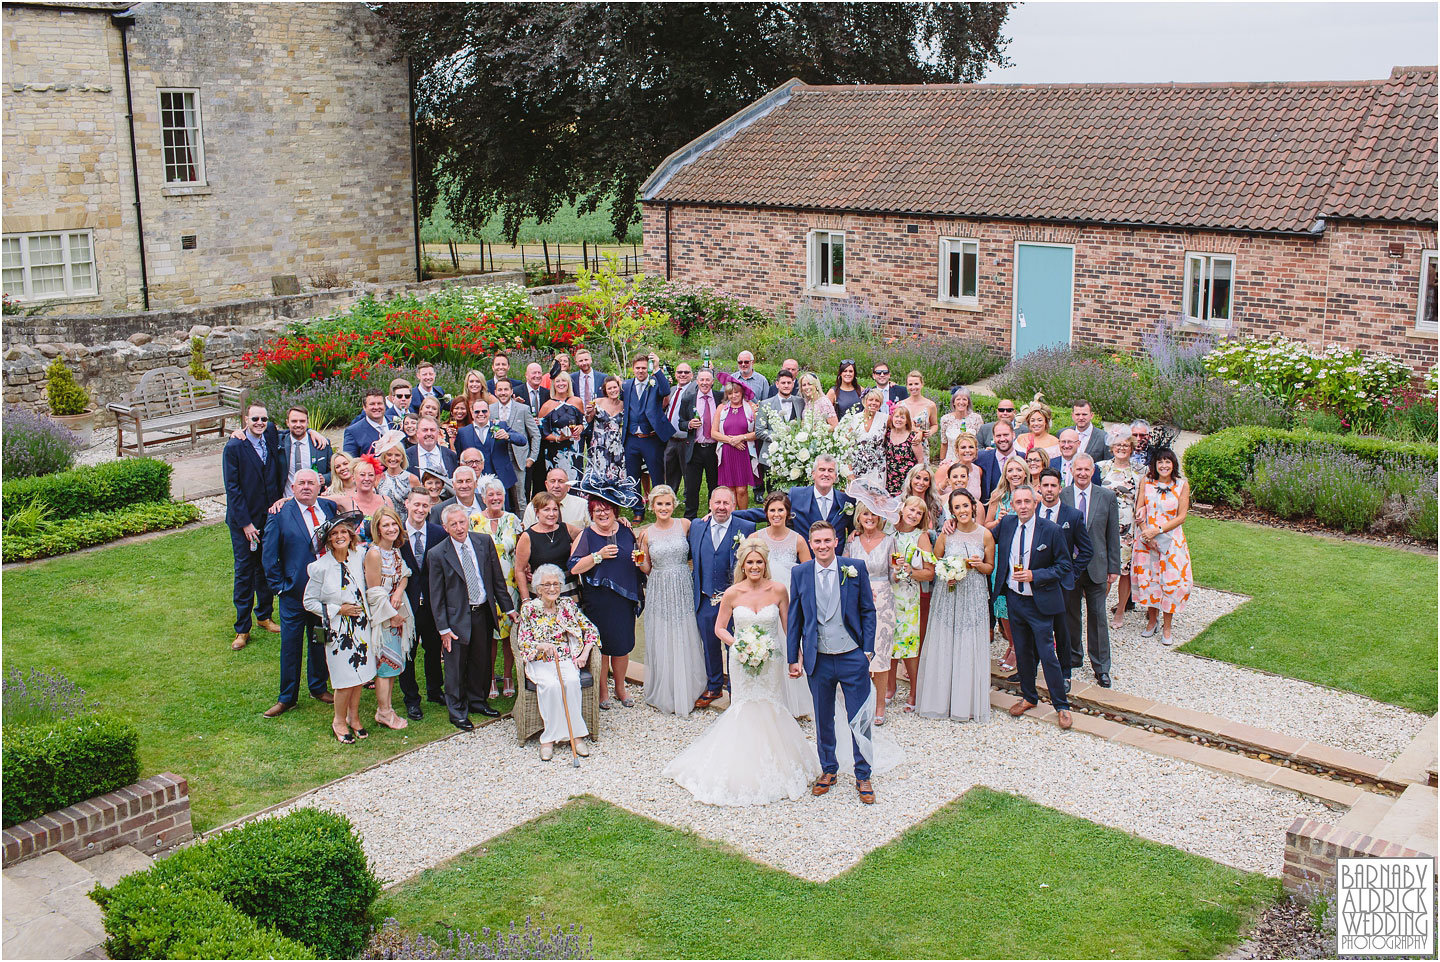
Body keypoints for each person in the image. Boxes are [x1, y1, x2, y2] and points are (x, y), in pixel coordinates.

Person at [664, 537, 820, 805]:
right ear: (743, 565)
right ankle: (741, 763)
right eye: (751, 563)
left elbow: (788, 627)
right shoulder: (733, 593)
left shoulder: (779, 590)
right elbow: (720, 628)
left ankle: (779, 762)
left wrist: (796, 657)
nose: (755, 567)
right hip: (741, 659)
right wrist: (740, 644)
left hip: (771, 660)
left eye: (760, 562)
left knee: (772, 704)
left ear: (765, 564)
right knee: (744, 706)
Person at [787, 521, 879, 804]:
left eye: (827, 540)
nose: (822, 546)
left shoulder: (855, 568)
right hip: (819, 659)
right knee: (823, 717)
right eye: (817, 542)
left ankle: (863, 773)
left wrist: (867, 651)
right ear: (811, 544)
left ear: (836, 541)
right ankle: (829, 769)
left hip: (852, 655)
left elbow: (868, 610)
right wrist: (793, 657)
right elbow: (795, 618)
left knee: (859, 717)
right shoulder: (800, 573)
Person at [995, 484, 1074, 729]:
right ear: (1013, 505)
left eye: (1027, 502)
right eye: (1018, 502)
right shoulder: (1007, 524)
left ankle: (1061, 705)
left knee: (1048, 654)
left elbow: (1064, 566)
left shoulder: (1050, 530)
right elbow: (985, 537)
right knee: (1023, 652)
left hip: (1039, 602)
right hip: (1014, 600)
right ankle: (1029, 696)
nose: (1023, 507)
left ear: (1035, 503)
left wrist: (1035, 575)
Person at [430, 503, 513, 730]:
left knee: (481, 661)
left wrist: (510, 609)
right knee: (455, 667)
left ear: (468, 521)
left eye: (462, 522)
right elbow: (436, 596)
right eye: (453, 524)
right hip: (456, 618)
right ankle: (457, 711)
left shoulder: (483, 542)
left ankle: (477, 701)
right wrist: (443, 628)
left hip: (482, 612)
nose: (459, 528)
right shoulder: (437, 554)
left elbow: (497, 581)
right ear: (445, 528)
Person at [916, 489, 995, 722]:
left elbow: (990, 567)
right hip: (948, 593)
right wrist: (945, 573)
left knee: (968, 642)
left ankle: (966, 703)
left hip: (973, 594)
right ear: (952, 511)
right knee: (945, 641)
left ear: (973, 506)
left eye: (965, 505)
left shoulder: (985, 535)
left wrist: (980, 565)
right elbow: (935, 561)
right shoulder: (946, 534)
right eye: (957, 507)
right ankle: (941, 700)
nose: (962, 511)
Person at [262, 469, 336, 717]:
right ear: (292, 488)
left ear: (319, 487)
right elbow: (269, 556)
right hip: (294, 594)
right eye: (301, 483)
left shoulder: (329, 508)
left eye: (311, 483)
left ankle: (318, 686)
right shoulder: (280, 514)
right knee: (291, 645)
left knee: (319, 640)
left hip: (324, 594)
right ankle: (287, 697)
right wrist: (280, 587)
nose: (306, 487)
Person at [569, 477, 645, 709]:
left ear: (615, 511)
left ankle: (620, 688)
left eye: (607, 510)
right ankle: (603, 691)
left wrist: (638, 558)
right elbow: (573, 566)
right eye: (597, 511)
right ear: (591, 513)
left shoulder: (626, 530)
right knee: (602, 647)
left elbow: (638, 556)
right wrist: (598, 555)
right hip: (599, 600)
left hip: (624, 598)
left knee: (622, 647)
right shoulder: (587, 535)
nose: (603, 514)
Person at [303, 511, 378, 744]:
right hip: (339, 631)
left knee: (360, 676)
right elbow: (309, 601)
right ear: (328, 539)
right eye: (334, 534)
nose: (339, 536)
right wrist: (338, 609)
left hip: (361, 626)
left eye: (343, 532)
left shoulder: (358, 556)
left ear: (350, 534)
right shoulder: (319, 567)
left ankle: (354, 718)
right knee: (344, 679)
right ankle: (338, 720)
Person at [514, 564, 597, 761]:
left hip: (565, 659)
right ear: (538, 588)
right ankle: (548, 739)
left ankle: (576, 736)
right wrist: (540, 646)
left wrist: (585, 652)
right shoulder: (530, 609)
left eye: (556, 584)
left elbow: (591, 630)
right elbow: (523, 642)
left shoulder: (567, 606)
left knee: (571, 683)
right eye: (547, 585)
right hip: (540, 660)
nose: (552, 589)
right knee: (551, 686)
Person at [636, 486, 707, 715]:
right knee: (663, 631)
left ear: (674, 505)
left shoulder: (684, 525)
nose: (663, 508)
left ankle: (690, 686)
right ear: (652, 506)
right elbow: (647, 568)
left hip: (682, 582)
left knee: (686, 629)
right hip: (659, 585)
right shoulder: (646, 533)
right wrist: (638, 563)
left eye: (667, 504)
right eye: (659, 504)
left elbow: (702, 539)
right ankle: (666, 688)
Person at [687, 486, 757, 707]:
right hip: (706, 598)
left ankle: (737, 690)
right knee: (709, 645)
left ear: (734, 507)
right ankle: (714, 686)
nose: (721, 507)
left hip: (735, 602)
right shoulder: (697, 527)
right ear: (709, 504)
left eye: (727, 503)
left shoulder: (745, 528)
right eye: (717, 503)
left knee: (735, 647)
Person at [223, 403, 284, 651]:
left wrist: (313, 433)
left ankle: (264, 616)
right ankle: (242, 628)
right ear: (246, 419)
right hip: (244, 522)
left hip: (268, 518)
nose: (260, 422)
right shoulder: (234, 446)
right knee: (245, 572)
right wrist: (246, 523)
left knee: (267, 566)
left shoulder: (269, 434)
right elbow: (233, 489)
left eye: (264, 418)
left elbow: (294, 430)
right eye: (255, 418)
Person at [752, 490, 814, 718]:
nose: (776, 514)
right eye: (772, 510)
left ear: (788, 513)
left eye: (781, 509)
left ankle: (796, 703)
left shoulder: (797, 539)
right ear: (766, 512)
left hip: (790, 600)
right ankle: (769, 702)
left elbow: (809, 574)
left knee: (791, 644)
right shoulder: (756, 538)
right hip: (764, 600)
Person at [1062, 454, 1121, 687]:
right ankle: (1074, 656)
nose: (1083, 474)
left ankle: (1101, 667)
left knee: (1098, 617)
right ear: (1072, 471)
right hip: (1070, 567)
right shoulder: (1063, 495)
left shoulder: (1106, 497)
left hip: (1097, 566)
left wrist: (1113, 567)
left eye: (1087, 470)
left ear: (1092, 471)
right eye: (1079, 470)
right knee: (1071, 615)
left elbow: (1112, 534)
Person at [1035, 468, 1093, 690]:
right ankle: (1029, 670)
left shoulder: (1072, 515)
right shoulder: (1032, 511)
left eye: (1053, 486)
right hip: (1035, 579)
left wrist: (1072, 573)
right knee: (1035, 627)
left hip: (1060, 584)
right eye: (1045, 485)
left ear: (1060, 488)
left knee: (1063, 629)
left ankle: (1065, 673)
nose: (1049, 490)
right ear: (1038, 487)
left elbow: (1086, 551)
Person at [1132, 447, 1192, 645]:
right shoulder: (1146, 482)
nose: (1164, 466)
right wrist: (1146, 533)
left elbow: (1181, 516)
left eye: (1167, 461)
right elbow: (1139, 509)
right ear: (1155, 465)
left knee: (1170, 582)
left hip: (1171, 540)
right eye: (1160, 462)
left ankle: (1167, 627)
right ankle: (1151, 621)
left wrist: (1157, 530)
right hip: (1147, 540)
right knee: (1150, 581)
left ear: (1173, 464)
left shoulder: (1181, 486)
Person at [364, 504, 415, 730]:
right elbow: (374, 592)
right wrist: (392, 616)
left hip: (397, 612)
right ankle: (384, 712)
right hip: (384, 617)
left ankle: (386, 708)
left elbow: (405, 574)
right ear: (377, 528)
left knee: (395, 663)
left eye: (394, 523)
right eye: (386, 525)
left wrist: (399, 591)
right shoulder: (374, 554)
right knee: (385, 666)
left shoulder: (394, 550)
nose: (392, 528)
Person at [845, 503, 896, 726]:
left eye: (874, 514)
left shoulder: (889, 541)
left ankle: (880, 705)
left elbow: (894, 576)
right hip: (856, 601)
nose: (870, 518)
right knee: (859, 653)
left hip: (883, 599)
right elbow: (844, 571)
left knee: (881, 652)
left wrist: (900, 569)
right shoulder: (852, 541)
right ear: (859, 516)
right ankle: (862, 701)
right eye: (866, 513)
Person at [398, 489, 446, 718]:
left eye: (425, 506)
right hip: (406, 602)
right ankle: (411, 698)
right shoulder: (396, 534)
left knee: (433, 647)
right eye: (416, 504)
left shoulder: (438, 533)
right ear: (407, 504)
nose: (420, 510)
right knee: (408, 651)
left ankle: (435, 690)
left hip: (432, 601)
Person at [475, 476, 523, 698]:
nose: (495, 498)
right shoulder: (474, 521)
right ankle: (491, 677)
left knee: (508, 635)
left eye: (499, 494)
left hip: (510, 585)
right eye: (490, 495)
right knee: (490, 635)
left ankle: (508, 676)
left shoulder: (513, 520)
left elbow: (522, 550)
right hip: (486, 587)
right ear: (483, 498)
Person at [735, 455, 854, 543]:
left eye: (830, 471)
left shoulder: (846, 501)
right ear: (813, 474)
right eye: (822, 470)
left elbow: (856, 527)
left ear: (836, 476)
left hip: (835, 563)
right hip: (804, 560)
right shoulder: (797, 495)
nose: (826, 474)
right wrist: (731, 515)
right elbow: (771, 513)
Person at [888, 496, 934, 712]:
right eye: (911, 509)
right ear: (902, 508)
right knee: (887, 642)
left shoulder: (921, 537)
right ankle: (889, 687)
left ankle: (915, 690)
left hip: (907, 598)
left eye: (919, 513)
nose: (914, 515)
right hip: (887, 594)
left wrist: (910, 570)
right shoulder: (888, 530)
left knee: (908, 645)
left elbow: (929, 573)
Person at [985, 455, 1029, 674]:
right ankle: (1012, 645)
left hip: (1023, 555)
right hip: (1002, 554)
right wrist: (999, 520)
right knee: (1001, 605)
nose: (1015, 474)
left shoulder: (1031, 496)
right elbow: (986, 527)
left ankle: (1020, 649)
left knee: (1019, 604)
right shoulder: (998, 496)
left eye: (1018, 470)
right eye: (1011, 470)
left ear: (1025, 472)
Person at [1099, 425, 1144, 629]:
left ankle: (1120, 611)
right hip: (1103, 526)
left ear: (1132, 447)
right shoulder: (1101, 468)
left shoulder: (1139, 473)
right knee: (1103, 569)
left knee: (1124, 571)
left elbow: (1142, 500)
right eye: (1118, 445)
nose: (1122, 448)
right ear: (1111, 447)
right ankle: (1098, 608)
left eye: (1126, 445)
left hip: (1128, 528)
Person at [621, 351, 674, 517]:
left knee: (657, 474)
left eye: (644, 368)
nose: (641, 371)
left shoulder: (655, 383)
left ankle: (661, 509)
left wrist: (657, 368)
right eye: (637, 368)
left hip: (651, 438)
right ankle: (638, 510)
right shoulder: (627, 385)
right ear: (633, 369)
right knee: (633, 476)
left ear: (648, 368)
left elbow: (666, 391)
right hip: (631, 438)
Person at [516, 491, 581, 604]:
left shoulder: (567, 529)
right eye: (546, 510)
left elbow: (590, 537)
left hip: (568, 592)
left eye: (555, 509)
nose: (551, 514)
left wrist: (615, 523)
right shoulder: (528, 536)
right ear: (537, 512)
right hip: (541, 594)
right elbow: (519, 570)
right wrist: (526, 600)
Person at [676, 368, 724, 519]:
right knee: (692, 486)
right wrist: (689, 424)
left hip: (714, 449)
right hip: (694, 448)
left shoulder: (720, 397)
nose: (704, 383)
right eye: (701, 380)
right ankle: (690, 519)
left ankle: (714, 516)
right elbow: (680, 423)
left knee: (714, 485)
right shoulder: (688, 399)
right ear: (697, 381)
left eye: (707, 380)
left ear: (712, 382)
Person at [490, 378, 539, 512]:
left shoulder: (523, 409)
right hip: (498, 459)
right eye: (500, 390)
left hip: (518, 460)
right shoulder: (490, 410)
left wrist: (532, 457)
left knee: (520, 498)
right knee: (499, 496)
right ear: (495, 392)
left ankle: (522, 528)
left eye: (506, 389)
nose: (503, 393)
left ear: (512, 391)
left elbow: (535, 434)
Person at [755, 368, 805, 496]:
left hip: (795, 456)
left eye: (789, 382)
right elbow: (759, 431)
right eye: (783, 383)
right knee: (774, 494)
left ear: (793, 384)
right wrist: (780, 437)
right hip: (771, 456)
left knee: (794, 493)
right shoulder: (766, 404)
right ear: (777, 384)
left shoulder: (800, 402)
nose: (786, 385)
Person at [458, 401, 520, 497]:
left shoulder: (500, 426)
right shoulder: (463, 432)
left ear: (489, 412)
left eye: (484, 411)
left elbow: (522, 441)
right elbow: (459, 454)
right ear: (472, 413)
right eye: (477, 412)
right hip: (475, 479)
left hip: (500, 478)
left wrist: (508, 435)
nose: (481, 414)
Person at [714, 377, 758, 510]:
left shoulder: (751, 407)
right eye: (730, 393)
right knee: (730, 490)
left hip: (743, 451)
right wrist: (732, 441)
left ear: (742, 392)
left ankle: (743, 517)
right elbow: (713, 433)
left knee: (741, 489)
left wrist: (741, 437)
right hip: (727, 452)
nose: (733, 396)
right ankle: (731, 518)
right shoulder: (722, 408)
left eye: (736, 392)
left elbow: (758, 432)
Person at [538, 372, 585, 481]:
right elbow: (542, 432)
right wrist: (558, 438)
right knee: (557, 482)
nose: (561, 384)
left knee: (574, 481)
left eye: (563, 381)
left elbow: (583, 422)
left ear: (568, 383)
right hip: (555, 452)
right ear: (553, 384)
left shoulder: (577, 401)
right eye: (558, 381)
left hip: (574, 450)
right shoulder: (547, 406)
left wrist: (581, 427)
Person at [586, 375, 627, 484]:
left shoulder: (624, 405)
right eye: (610, 388)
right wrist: (589, 413)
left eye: (615, 387)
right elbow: (589, 419)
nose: (613, 390)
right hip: (599, 445)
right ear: (605, 391)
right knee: (598, 477)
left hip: (616, 445)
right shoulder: (598, 402)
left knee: (616, 477)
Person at [662, 361, 695, 494]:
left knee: (687, 471)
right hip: (671, 439)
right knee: (669, 470)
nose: (683, 375)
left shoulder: (694, 389)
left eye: (686, 372)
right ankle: (670, 497)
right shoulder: (672, 390)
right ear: (675, 375)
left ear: (692, 375)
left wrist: (710, 370)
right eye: (679, 372)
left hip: (685, 439)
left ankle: (689, 498)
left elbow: (706, 382)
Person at [519, 363, 552, 500]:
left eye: (539, 373)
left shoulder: (547, 393)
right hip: (523, 443)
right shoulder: (517, 392)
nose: (537, 376)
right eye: (533, 373)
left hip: (543, 443)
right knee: (524, 483)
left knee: (540, 481)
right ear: (526, 375)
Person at [280, 406, 332, 487]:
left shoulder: (322, 443)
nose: (298, 424)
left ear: (307, 422)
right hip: (287, 497)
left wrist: (325, 478)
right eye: (294, 421)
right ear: (287, 423)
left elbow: (335, 471)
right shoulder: (279, 442)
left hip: (315, 497)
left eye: (302, 421)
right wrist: (310, 430)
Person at [522, 468, 591, 529]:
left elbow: (594, 533)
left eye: (561, 481)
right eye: (552, 481)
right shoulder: (533, 506)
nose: (556, 486)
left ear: (568, 486)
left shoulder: (583, 505)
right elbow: (527, 535)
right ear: (546, 484)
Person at [374, 431, 422, 512]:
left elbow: (420, 502)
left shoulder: (412, 479)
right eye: (389, 455)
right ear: (384, 457)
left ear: (402, 457)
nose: (393, 459)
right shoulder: (378, 478)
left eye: (397, 455)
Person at [883, 405, 925, 495]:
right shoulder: (887, 433)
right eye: (896, 416)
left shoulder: (913, 437)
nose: (899, 420)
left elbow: (920, 461)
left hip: (907, 479)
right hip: (889, 479)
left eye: (902, 417)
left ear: (907, 421)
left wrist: (917, 479)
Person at [974, 420, 1018, 501]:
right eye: (998, 436)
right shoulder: (981, 458)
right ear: (993, 438)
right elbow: (963, 464)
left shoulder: (1024, 458)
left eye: (1006, 435)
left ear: (1013, 435)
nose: (1002, 439)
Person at [898, 371, 939, 447]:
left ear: (922, 384)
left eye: (916, 384)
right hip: (903, 445)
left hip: (922, 444)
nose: (913, 387)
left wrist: (930, 432)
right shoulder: (900, 405)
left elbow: (935, 424)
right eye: (910, 384)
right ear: (907, 386)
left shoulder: (930, 405)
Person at [343, 390, 389, 457]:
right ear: (364, 407)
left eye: (379, 403)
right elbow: (350, 462)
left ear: (385, 405)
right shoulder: (353, 432)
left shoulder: (396, 423)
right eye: (372, 404)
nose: (376, 407)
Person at [344, 457, 388, 522]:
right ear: (353, 478)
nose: (367, 478)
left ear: (375, 478)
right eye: (362, 475)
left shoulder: (386, 501)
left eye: (371, 475)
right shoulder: (347, 502)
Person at [569, 347, 607, 411]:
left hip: (598, 415)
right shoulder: (571, 378)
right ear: (576, 362)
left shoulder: (603, 378)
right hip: (578, 415)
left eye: (586, 360)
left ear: (591, 360)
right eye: (581, 361)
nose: (584, 363)